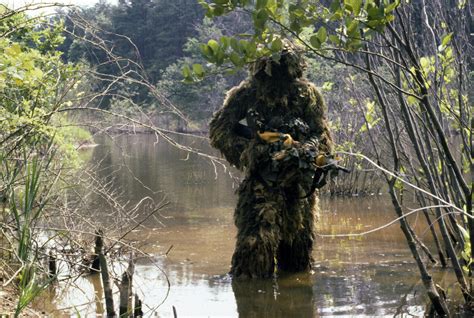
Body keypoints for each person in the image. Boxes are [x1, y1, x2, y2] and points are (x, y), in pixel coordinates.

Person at [209, 40, 334, 278]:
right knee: (253, 253)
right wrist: (252, 152)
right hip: (260, 188)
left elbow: (321, 132)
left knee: (297, 259)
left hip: (299, 189)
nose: (277, 76)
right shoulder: (247, 94)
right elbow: (220, 130)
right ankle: (254, 305)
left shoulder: (307, 95)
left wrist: (308, 151)